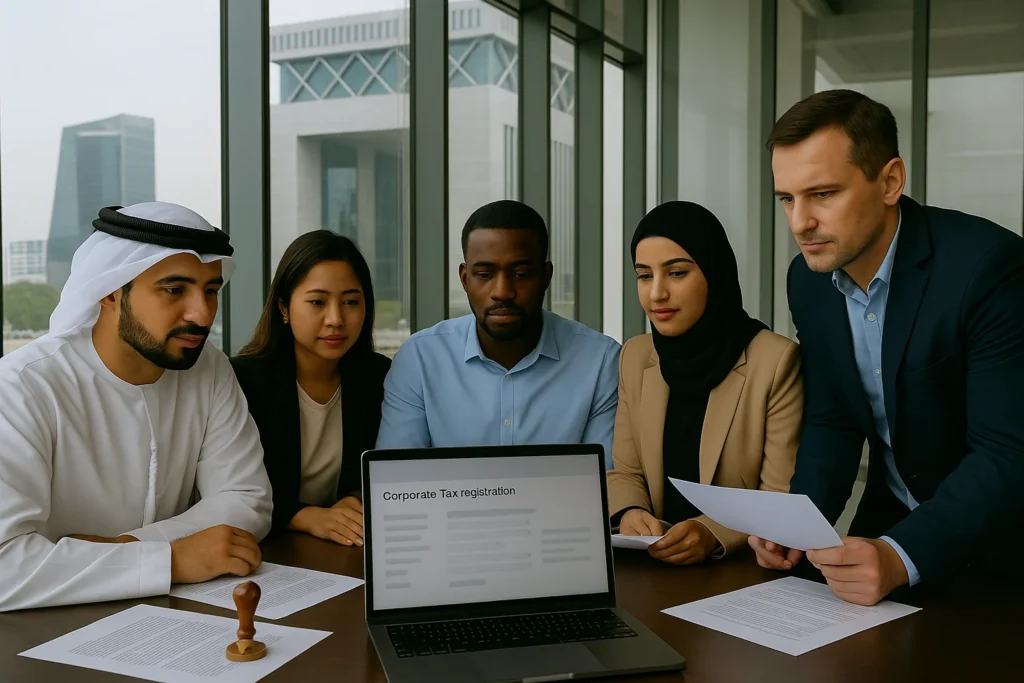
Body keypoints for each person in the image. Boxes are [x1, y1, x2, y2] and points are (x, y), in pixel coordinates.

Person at [753, 88, 1024, 605]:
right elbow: (832, 417)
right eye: (787, 198)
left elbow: (1006, 451)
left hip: (999, 547)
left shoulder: (990, 269)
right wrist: (801, 521)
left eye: (823, 194)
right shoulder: (808, 281)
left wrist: (903, 554)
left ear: (890, 181)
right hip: (884, 527)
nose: (799, 223)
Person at [0, 202, 273, 612]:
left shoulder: (208, 366)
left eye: (211, 291)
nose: (202, 314)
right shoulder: (24, 385)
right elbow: (6, 567)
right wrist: (175, 558)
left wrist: (126, 549)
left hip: (174, 618)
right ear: (111, 290)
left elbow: (246, 498)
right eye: (174, 290)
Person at [607, 201, 803, 565]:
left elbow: (778, 496)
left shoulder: (774, 362)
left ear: (715, 273)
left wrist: (713, 533)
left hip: (740, 573)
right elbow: (627, 471)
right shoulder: (635, 356)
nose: (656, 294)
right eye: (645, 275)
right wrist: (630, 513)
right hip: (651, 567)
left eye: (677, 273)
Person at [376, 200, 621, 466]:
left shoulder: (600, 361)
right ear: (464, 278)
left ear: (546, 276)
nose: (502, 291)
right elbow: (398, 482)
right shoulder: (420, 359)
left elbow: (605, 482)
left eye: (521, 273)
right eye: (484, 274)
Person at [232, 231, 391, 548]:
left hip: (344, 550)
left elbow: (387, 467)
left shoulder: (379, 377)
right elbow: (232, 490)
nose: (335, 319)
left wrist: (356, 499)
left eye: (350, 302)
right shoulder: (243, 381)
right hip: (265, 550)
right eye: (317, 302)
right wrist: (304, 517)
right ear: (284, 307)